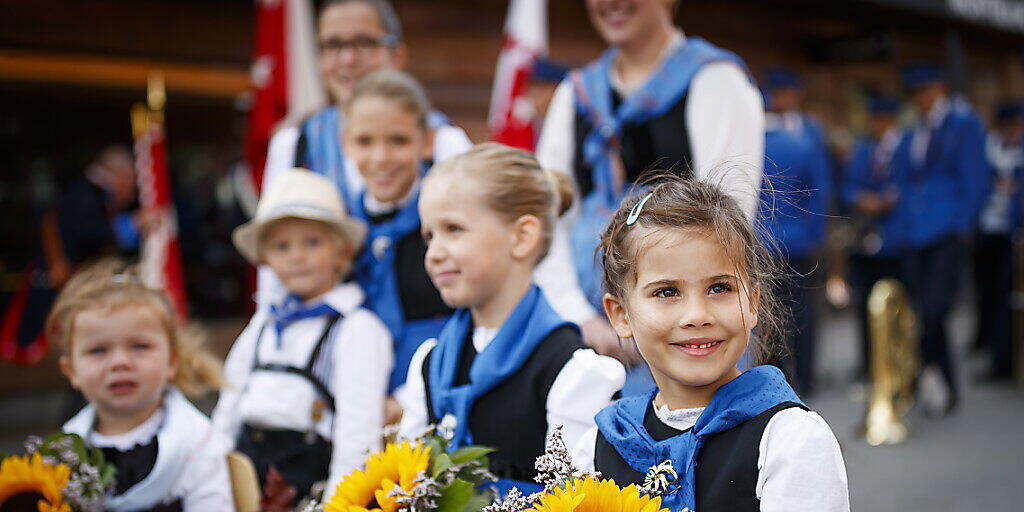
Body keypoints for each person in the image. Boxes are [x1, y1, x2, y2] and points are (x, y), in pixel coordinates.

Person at [573, 177, 849, 512]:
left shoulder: (789, 440)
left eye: (719, 288)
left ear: (752, 303)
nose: (697, 315)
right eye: (667, 292)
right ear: (621, 315)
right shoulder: (598, 446)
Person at [535, 0, 764, 362]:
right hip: (586, 338)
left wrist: (653, 325)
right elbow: (546, 215)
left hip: (685, 335)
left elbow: (726, 222)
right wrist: (577, 317)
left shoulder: (715, 81)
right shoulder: (574, 94)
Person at [398, 143, 625, 495]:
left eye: (453, 229)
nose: (434, 253)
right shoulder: (429, 363)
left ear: (522, 237)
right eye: (429, 235)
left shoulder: (570, 370)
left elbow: (576, 498)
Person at [212, 168, 393, 505]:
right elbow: (229, 403)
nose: (297, 256)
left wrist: (339, 502)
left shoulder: (357, 328)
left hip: (309, 480)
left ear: (341, 253)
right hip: (245, 470)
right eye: (282, 246)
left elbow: (358, 431)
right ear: (265, 258)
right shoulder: (265, 323)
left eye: (312, 242)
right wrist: (213, 478)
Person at [49, 260, 231, 511]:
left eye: (139, 346)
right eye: (98, 350)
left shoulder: (198, 441)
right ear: (72, 372)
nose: (120, 362)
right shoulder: (65, 452)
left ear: (172, 361)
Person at [343, 69, 461, 397]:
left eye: (398, 141)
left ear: (426, 142)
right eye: (365, 141)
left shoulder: (451, 221)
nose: (380, 158)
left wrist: (406, 398)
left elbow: (472, 320)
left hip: (439, 388)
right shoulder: (341, 225)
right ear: (345, 143)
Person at [892, 62, 989, 414]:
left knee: (935, 310)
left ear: (939, 88)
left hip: (947, 230)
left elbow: (975, 178)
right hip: (914, 234)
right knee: (923, 312)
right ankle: (942, 383)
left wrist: (964, 227)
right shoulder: (910, 130)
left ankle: (926, 376)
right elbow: (903, 180)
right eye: (914, 92)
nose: (920, 98)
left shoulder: (964, 123)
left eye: (924, 90)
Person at [761, 103, 833, 395]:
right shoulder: (803, 144)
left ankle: (775, 380)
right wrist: (816, 237)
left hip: (758, 243)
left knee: (765, 315)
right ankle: (807, 376)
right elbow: (819, 193)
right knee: (802, 312)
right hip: (798, 242)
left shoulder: (750, 146)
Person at [842, 95, 906, 378]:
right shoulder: (863, 150)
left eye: (884, 120)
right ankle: (870, 363)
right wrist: (862, 198)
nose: (878, 125)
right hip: (865, 238)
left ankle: (899, 362)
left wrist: (892, 198)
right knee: (864, 305)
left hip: (896, 240)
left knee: (899, 304)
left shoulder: (904, 148)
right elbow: (846, 187)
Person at [974, 102, 1023, 380]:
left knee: (1007, 297)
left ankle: (1005, 361)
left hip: (1012, 233)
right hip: (990, 229)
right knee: (991, 296)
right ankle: (997, 356)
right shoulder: (992, 148)